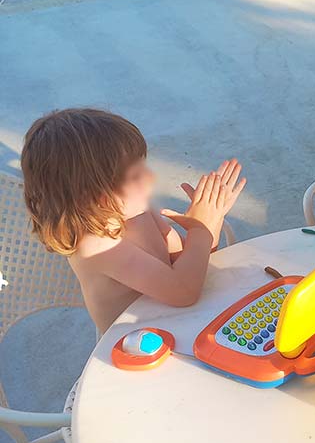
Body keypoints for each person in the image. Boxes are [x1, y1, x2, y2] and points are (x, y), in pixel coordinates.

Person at [21, 108, 245, 334]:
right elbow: (184, 292)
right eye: (136, 175)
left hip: (173, 322)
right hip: (134, 349)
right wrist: (200, 229)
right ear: (98, 196)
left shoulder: (138, 211)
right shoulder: (98, 246)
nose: (151, 177)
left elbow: (187, 266)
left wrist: (212, 218)